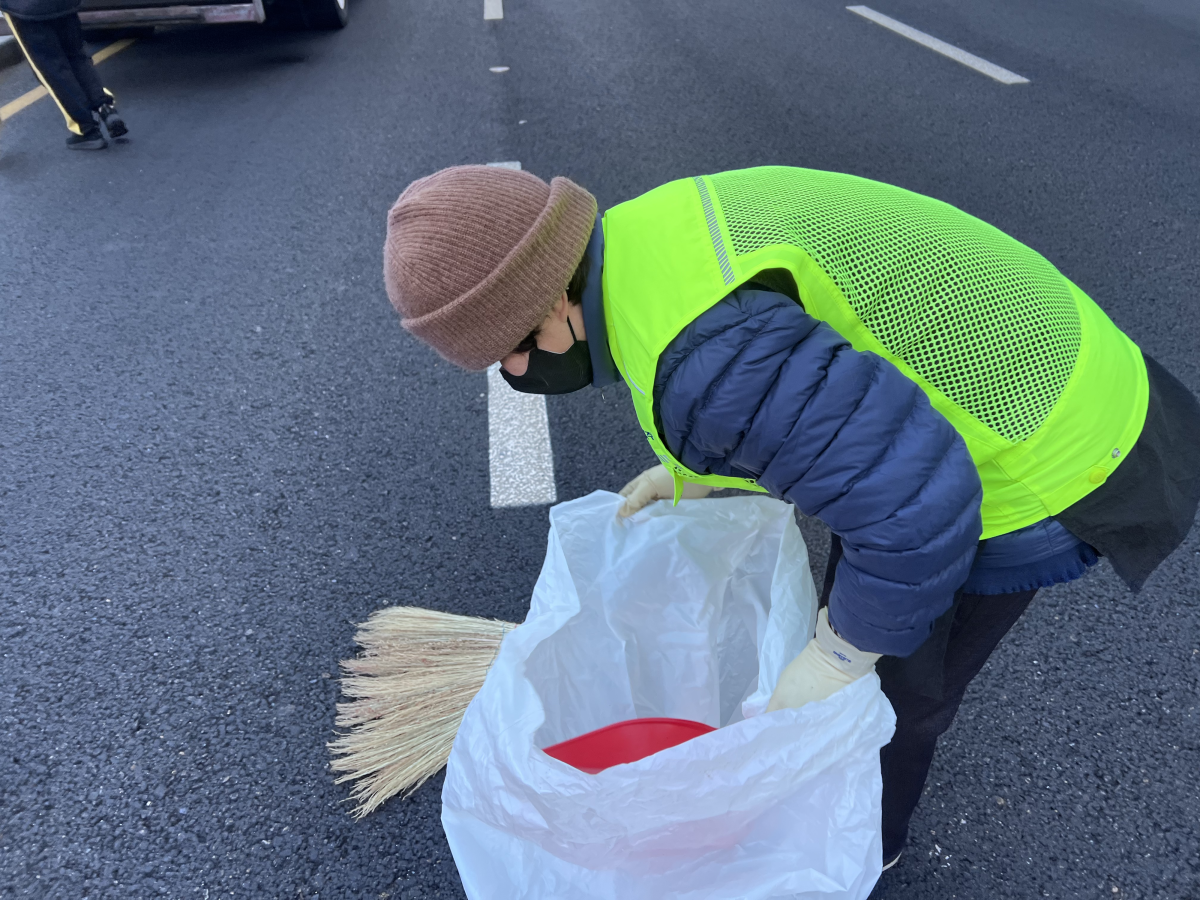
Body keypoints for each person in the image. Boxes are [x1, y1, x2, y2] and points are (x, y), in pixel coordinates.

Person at [380, 164, 1200, 872]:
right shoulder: (642, 240)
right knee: (870, 623)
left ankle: (864, 848)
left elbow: (918, 512)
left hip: (1047, 441)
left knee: (894, 685)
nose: (513, 372)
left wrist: (839, 656)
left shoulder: (701, 361)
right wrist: (689, 472)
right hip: (1039, 359)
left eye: (510, 347)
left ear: (556, 298)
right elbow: (790, 377)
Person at [1, 0, 127, 149]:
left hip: (26, 9)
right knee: (77, 56)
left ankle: (85, 129)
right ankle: (104, 107)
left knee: (51, 68)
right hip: (64, 4)